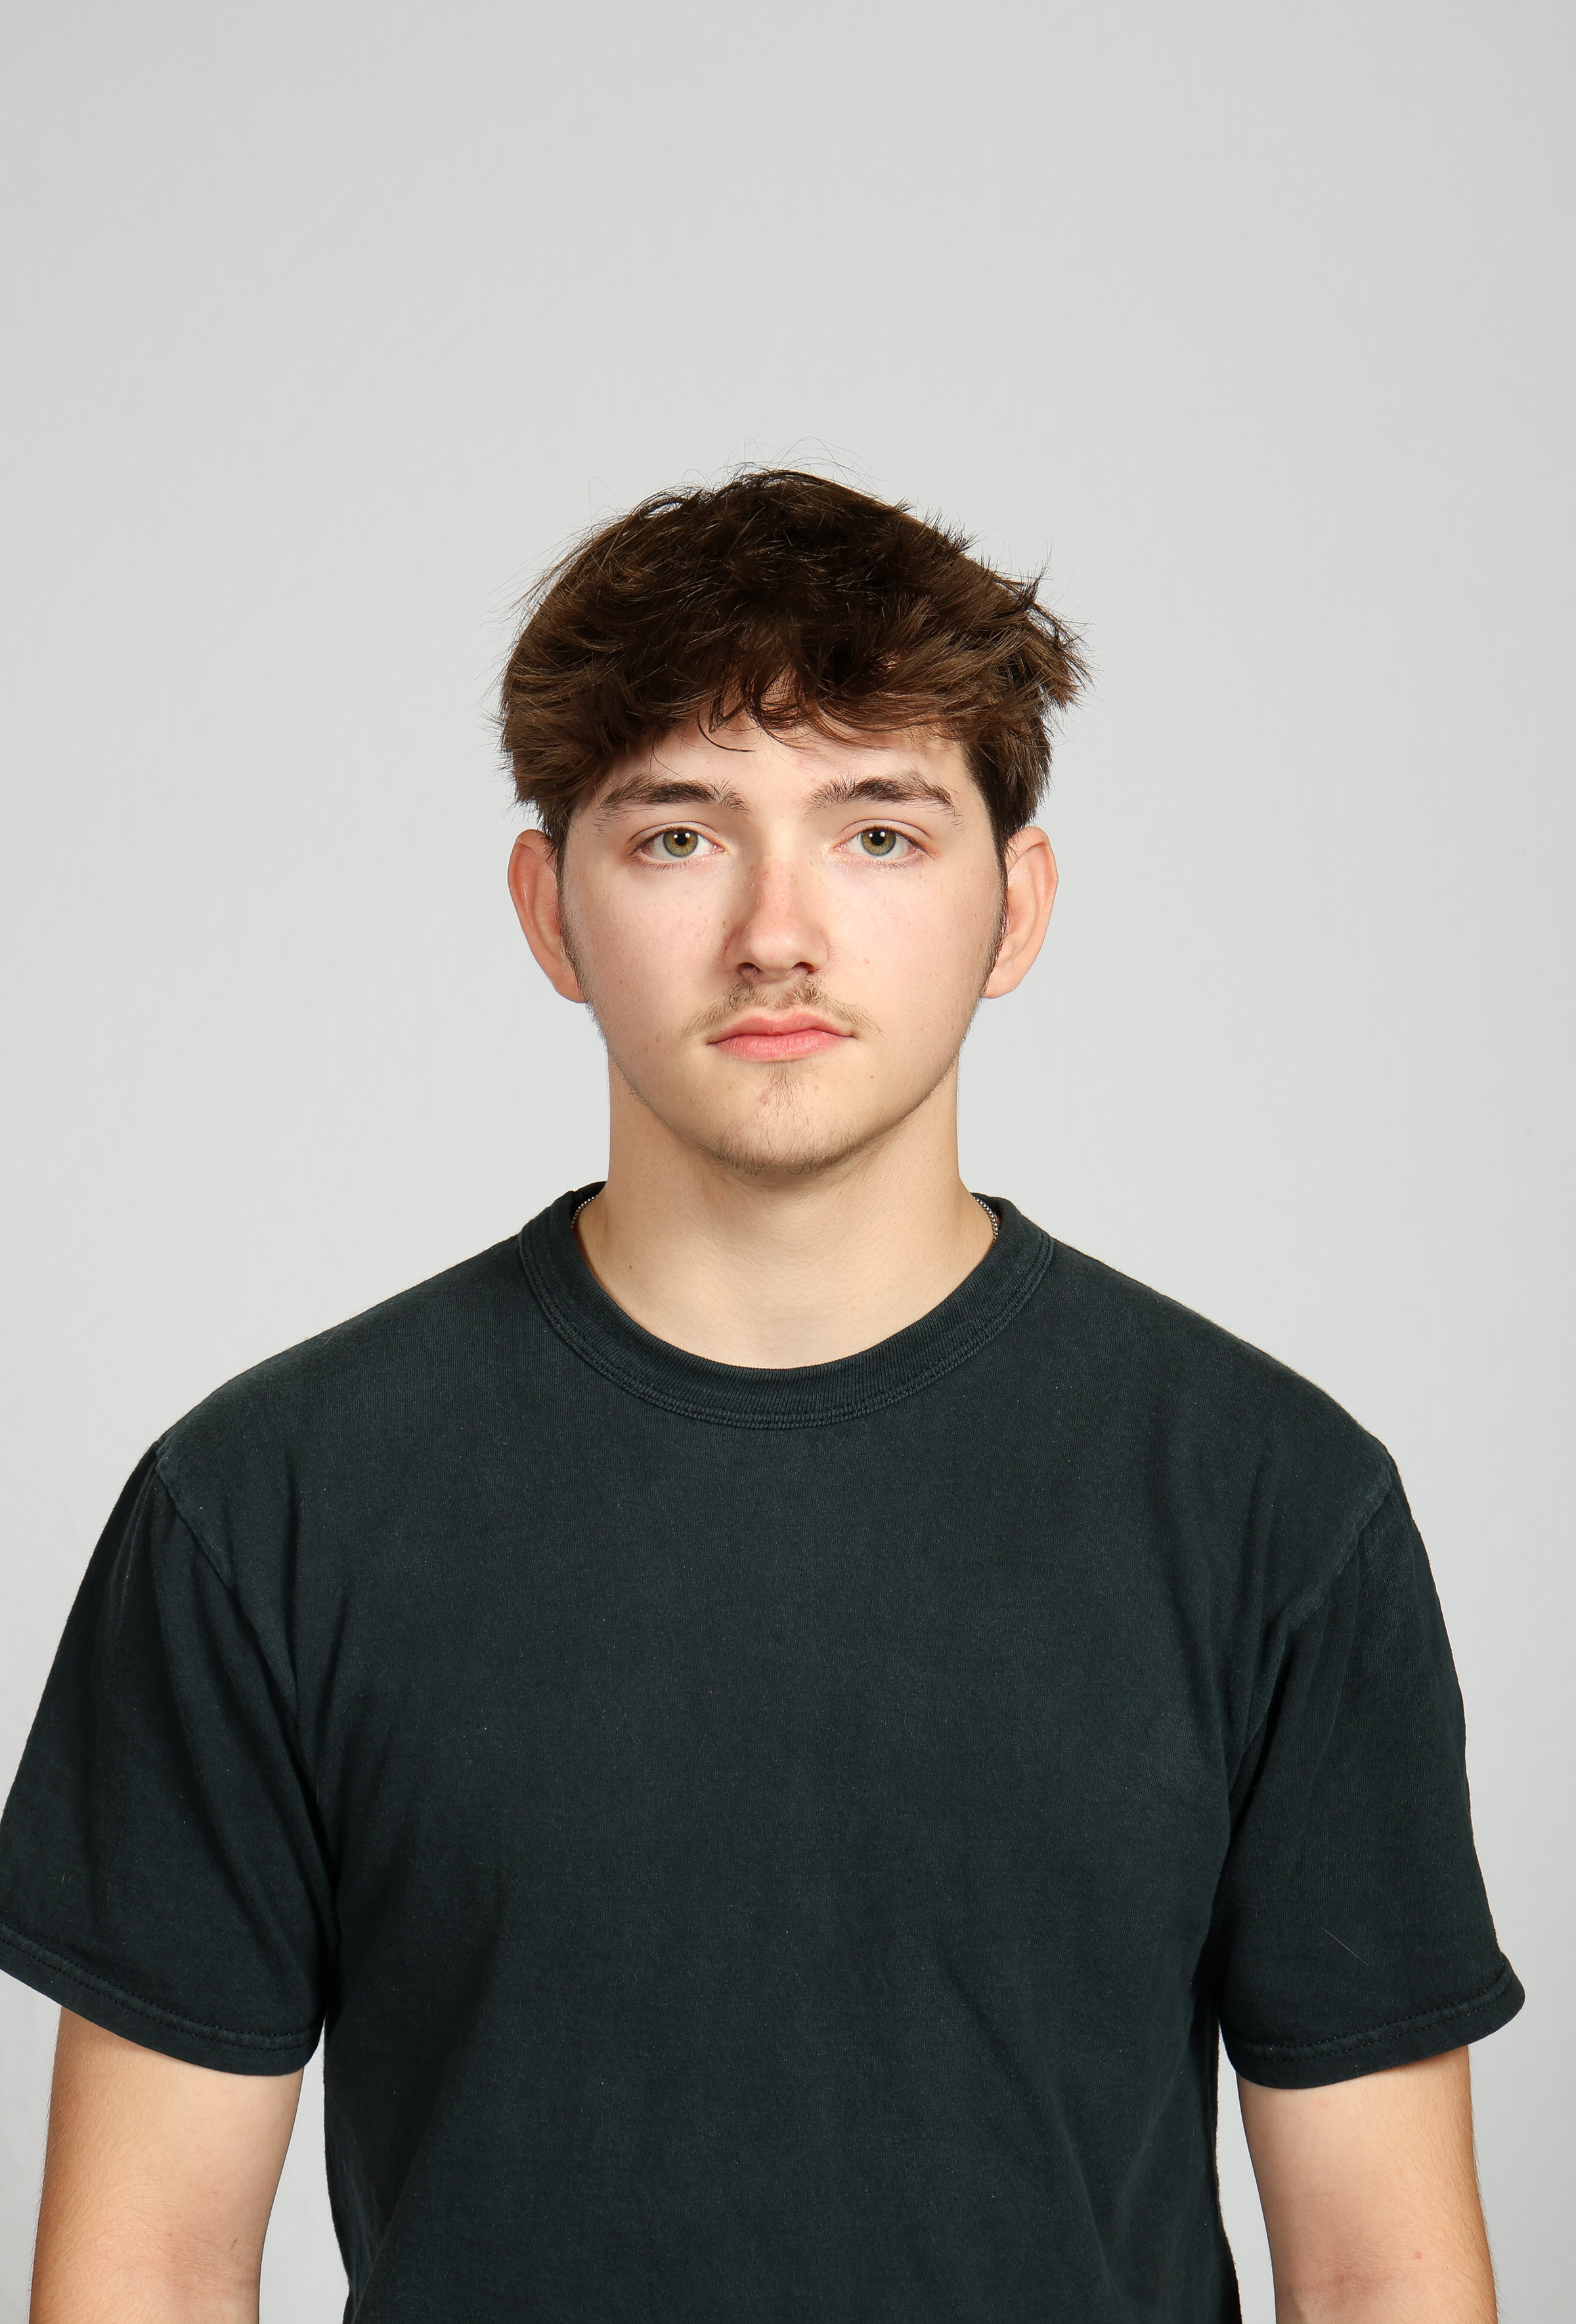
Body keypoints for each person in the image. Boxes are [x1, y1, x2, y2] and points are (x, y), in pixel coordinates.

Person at [1, 471, 1521, 2323]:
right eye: (677, 836)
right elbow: (146, 2269)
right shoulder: (265, 1511)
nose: (778, 935)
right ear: (549, 911)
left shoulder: (1273, 1505)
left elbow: (1378, 2276)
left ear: (1015, 907)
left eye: (879, 833)